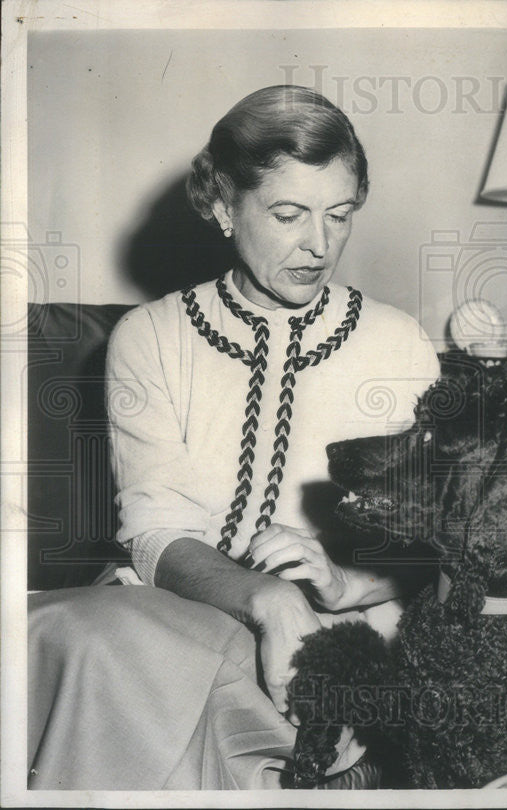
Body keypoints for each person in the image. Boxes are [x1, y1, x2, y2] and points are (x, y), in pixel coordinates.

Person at [28, 85, 440, 789]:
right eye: (289, 214)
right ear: (223, 207)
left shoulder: (399, 344)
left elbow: (438, 546)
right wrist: (267, 599)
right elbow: (154, 531)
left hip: (342, 647)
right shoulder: (150, 337)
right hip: (170, 614)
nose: (319, 245)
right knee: (80, 635)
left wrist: (343, 585)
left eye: (339, 215)